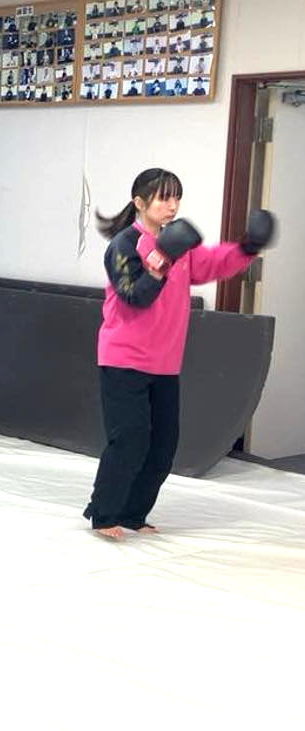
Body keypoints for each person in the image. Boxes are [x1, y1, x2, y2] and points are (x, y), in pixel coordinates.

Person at [85, 168, 274, 540]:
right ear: (140, 203)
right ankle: (104, 513)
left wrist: (248, 247)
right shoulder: (124, 244)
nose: (172, 206)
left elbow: (213, 262)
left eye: (176, 198)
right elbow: (134, 295)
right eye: (163, 198)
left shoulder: (179, 245)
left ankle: (133, 514)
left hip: (164, 363)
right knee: (130, 441)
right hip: (124, 359)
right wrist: (161, 258)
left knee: (162, 447)